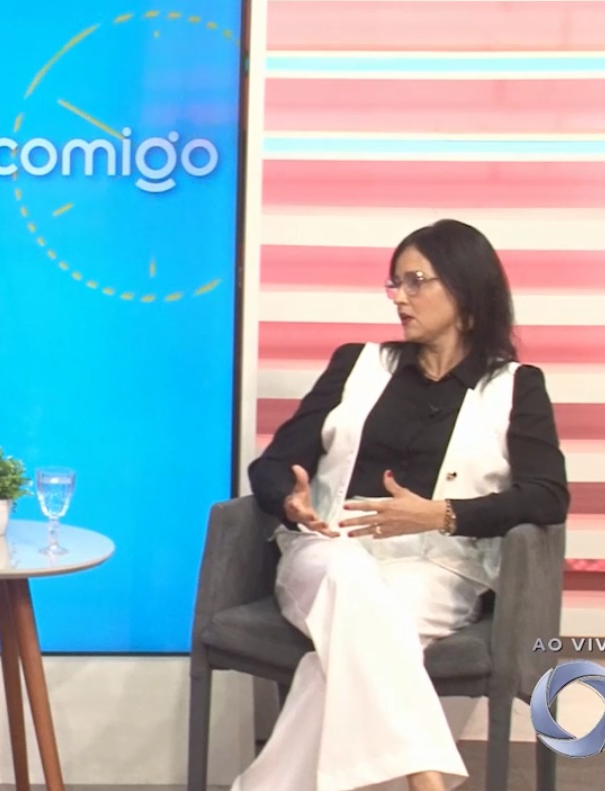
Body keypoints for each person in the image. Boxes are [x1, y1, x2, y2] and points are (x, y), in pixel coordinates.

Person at [232, 219, 569, 791]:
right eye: (395, 283)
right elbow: (272, 465)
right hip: (328, 551)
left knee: (341, 658)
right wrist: (290, 501)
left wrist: (443, 515)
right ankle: (424, 777)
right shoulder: (357, 365)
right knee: (349, 578)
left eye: (416, 282)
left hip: (437, 571)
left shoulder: (517, 386)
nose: (399, 297)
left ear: (465, 292)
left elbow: (548, 495)